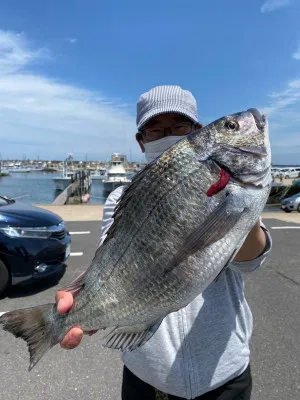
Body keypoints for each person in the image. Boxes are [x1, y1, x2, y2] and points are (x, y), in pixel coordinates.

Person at [56, 85, 272, 400]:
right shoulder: (121, 196)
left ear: (197, 130)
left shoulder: (233, 190)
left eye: (179, 127)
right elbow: (109, 259)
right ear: (140, 140)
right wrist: (82, 299)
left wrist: (234, 207)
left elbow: (250, 260)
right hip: (147, 377)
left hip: (224, 374)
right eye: (155, 129)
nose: (167, 135)